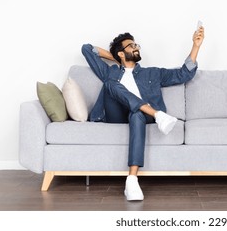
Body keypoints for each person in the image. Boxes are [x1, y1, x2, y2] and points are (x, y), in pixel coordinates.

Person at [81, 26, 204, 201]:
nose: (136, 47)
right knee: (110, 83)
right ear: (122, 54)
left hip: (139, 117)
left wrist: (196, 46)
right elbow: (86, 49)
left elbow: (183, 74)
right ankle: (157, 114)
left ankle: (132, 179)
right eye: (131, 46)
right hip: (115, 116)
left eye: (136, 44)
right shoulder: (111, 71)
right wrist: (116, 59)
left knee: (136, 113)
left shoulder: (152, 73)